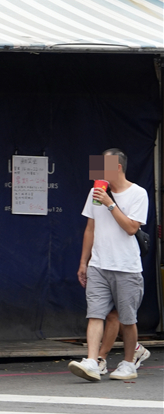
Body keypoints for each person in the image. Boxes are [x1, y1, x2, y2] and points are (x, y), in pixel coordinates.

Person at [69, 149, 149, 382]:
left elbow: (132, 228)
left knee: (127, 319)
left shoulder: (138, 193)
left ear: (118, 168)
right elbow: (90, 229)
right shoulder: (96, 192)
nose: (99, 173)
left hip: (126, 266)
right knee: (95, 314)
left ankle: (128, 363)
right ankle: (93, 361)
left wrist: (110, 204)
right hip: (98, 264)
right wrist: (84, 262)